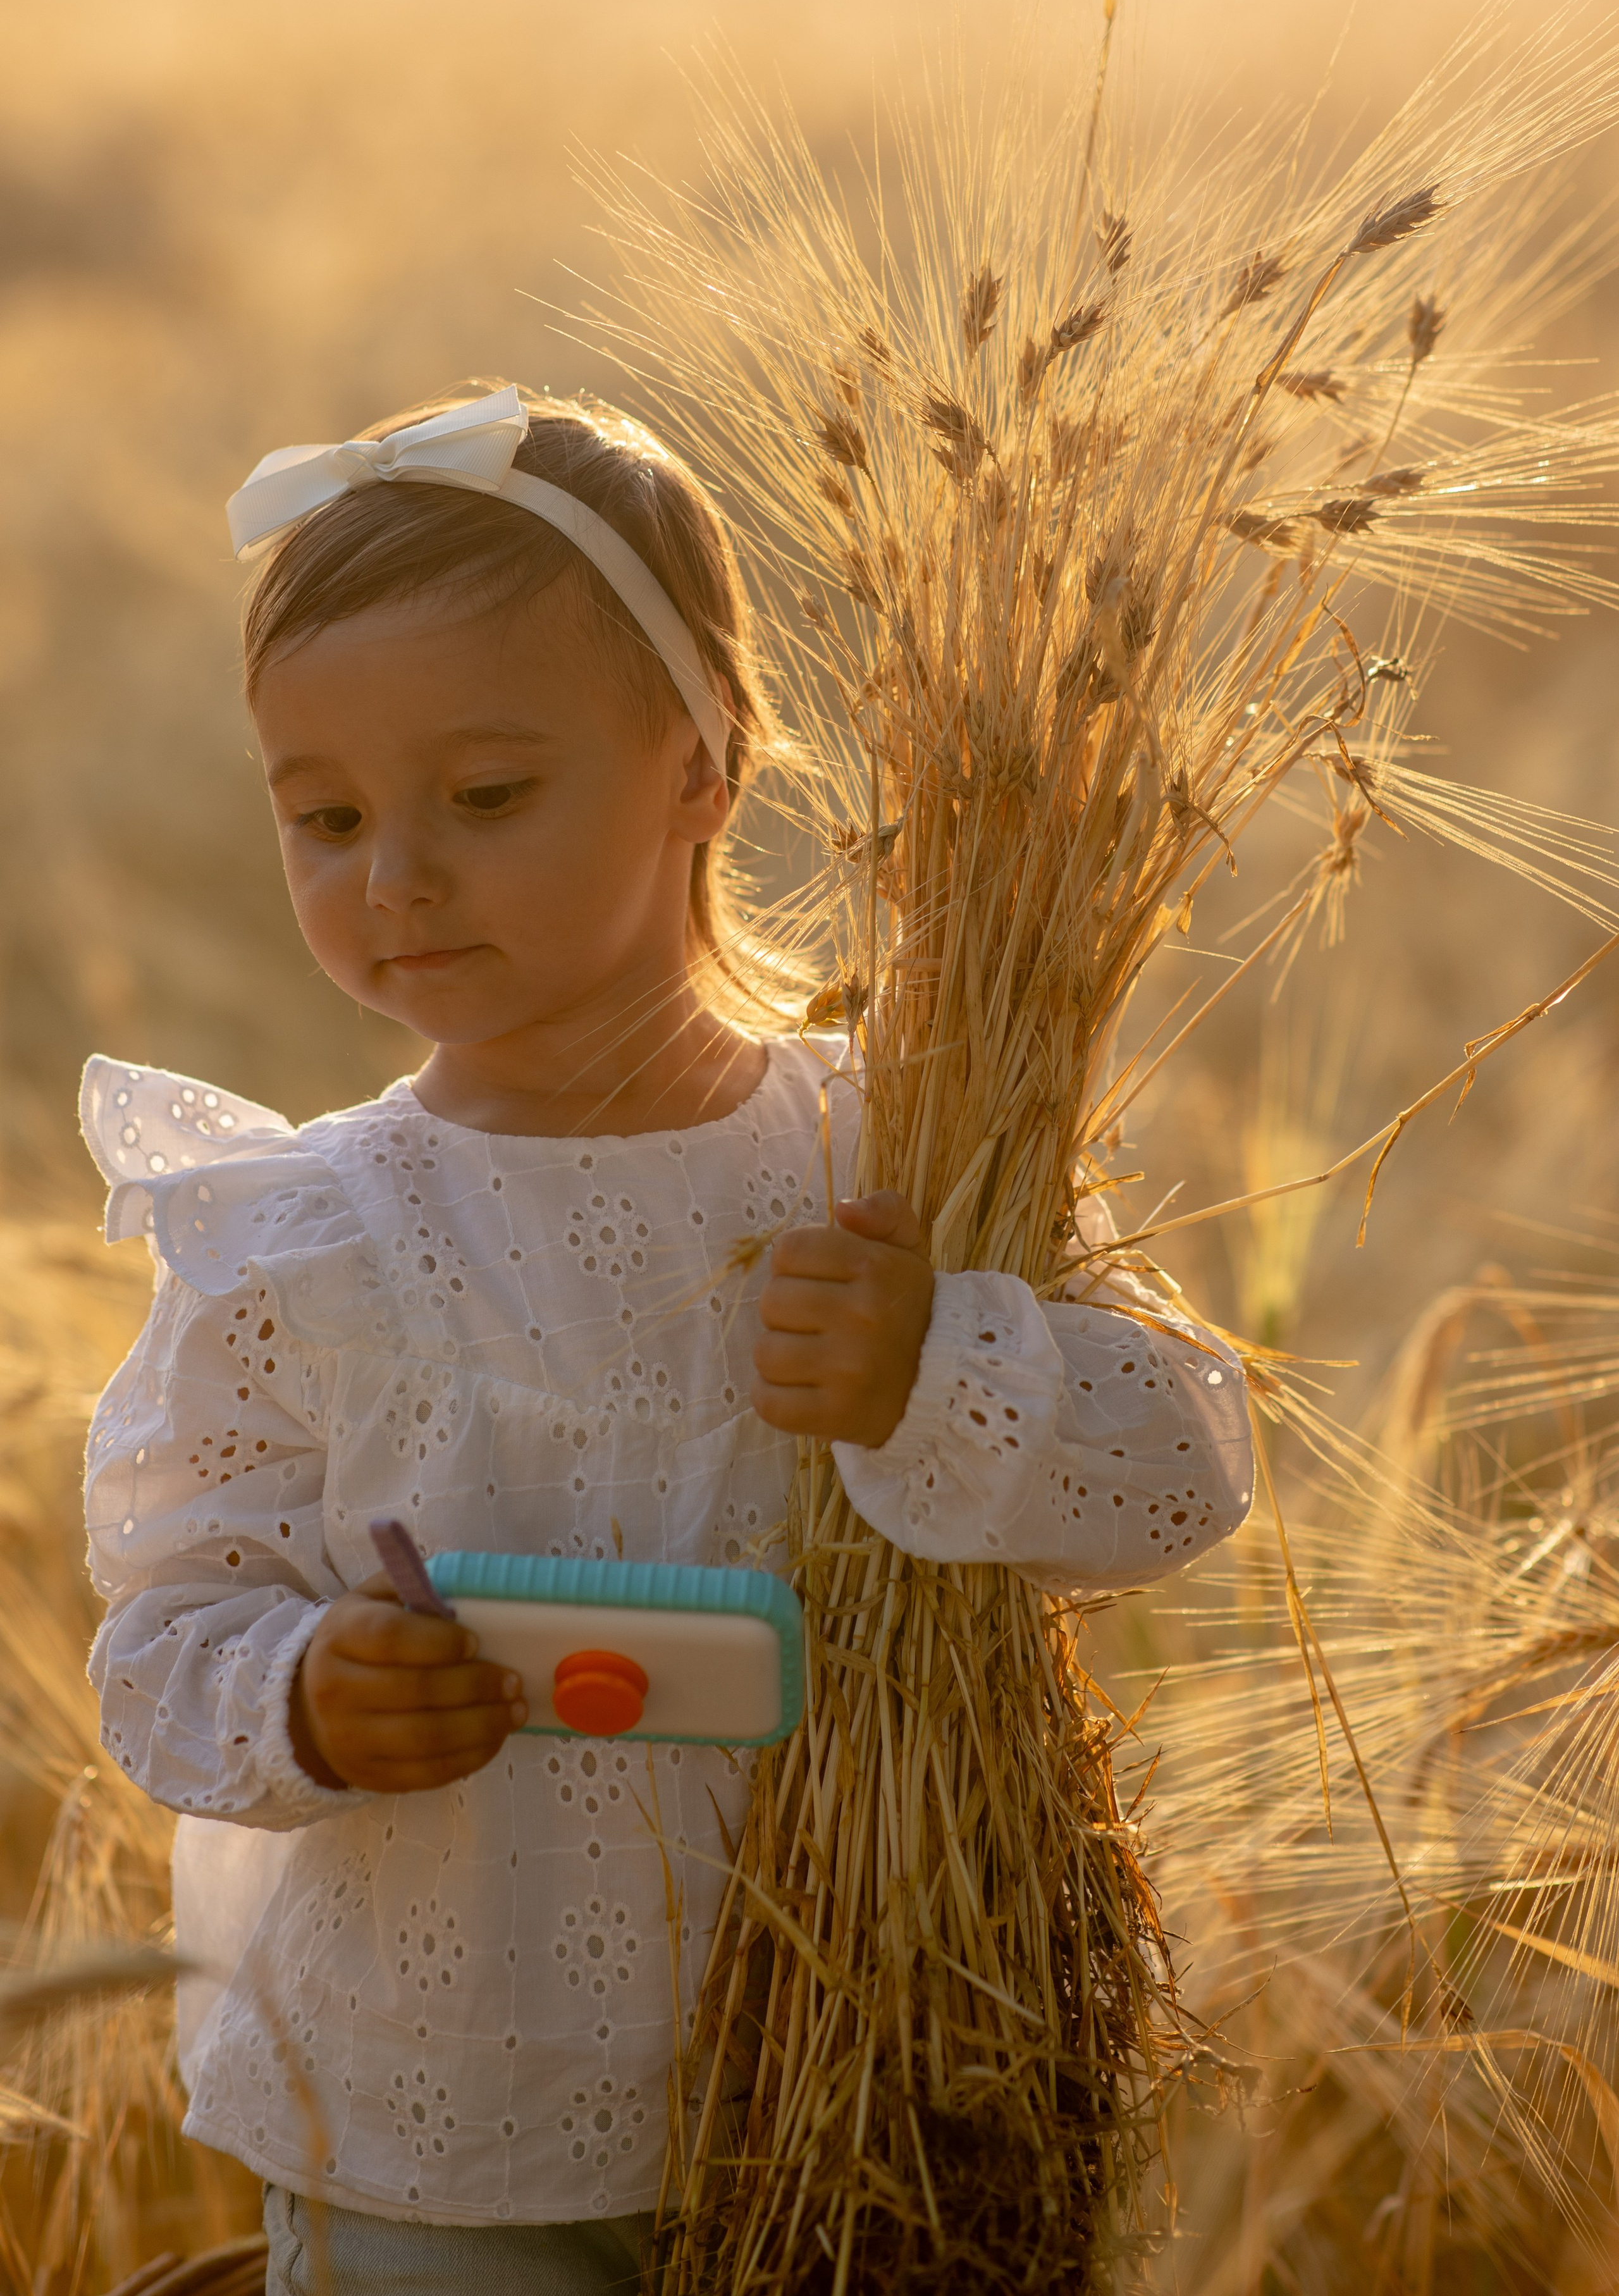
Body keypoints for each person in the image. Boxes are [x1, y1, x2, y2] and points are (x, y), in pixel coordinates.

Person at [80, 381, 1253, 2292]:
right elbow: (158, 1636)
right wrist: (305, 1687)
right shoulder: (289, 1233)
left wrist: (933, 1361)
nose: (396, 878)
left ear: (704, 760)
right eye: (326, 815)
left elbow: (1181, 1469)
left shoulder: (907, 1150)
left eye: (484, 797)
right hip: (442, 2119)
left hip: (883, 2074)